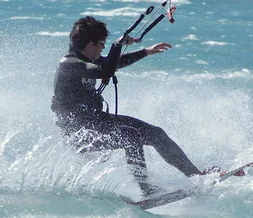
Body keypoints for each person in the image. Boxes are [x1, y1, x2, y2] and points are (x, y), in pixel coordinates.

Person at [51, 16, 209, 196]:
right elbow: (106, 70)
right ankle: (145, 189)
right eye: (102, 44)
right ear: (91, 44)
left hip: (97, 122)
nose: (103, 48)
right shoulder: (69, 64)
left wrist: (145, 52)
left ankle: (196, 176)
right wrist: (117, 45)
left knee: (156, 134)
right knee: (130, 136)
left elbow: (112, 63)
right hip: (80, 133)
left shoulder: (87, 59)